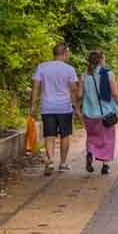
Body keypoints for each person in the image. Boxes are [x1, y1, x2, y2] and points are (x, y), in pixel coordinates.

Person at [30, 43, 81, 176]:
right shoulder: (69, 69)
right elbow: (74, 90)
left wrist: (33, 106)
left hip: (47, 107)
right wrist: (76, 107)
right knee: (65, 135)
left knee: (49, 135)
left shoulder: (42, 67)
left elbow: (35, 87)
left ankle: (51, 161)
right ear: (64, 54)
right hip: (64, 107)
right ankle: (63, 163)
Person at [80, 51, 118, 175]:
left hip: (89, 114)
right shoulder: (108, 74)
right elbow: (116, 94)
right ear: (101, 60)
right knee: (107, 139)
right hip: (105, 114)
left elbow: (80, 94)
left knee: (91, 137)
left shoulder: (84, 75)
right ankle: (105, 165)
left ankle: (90, 153)